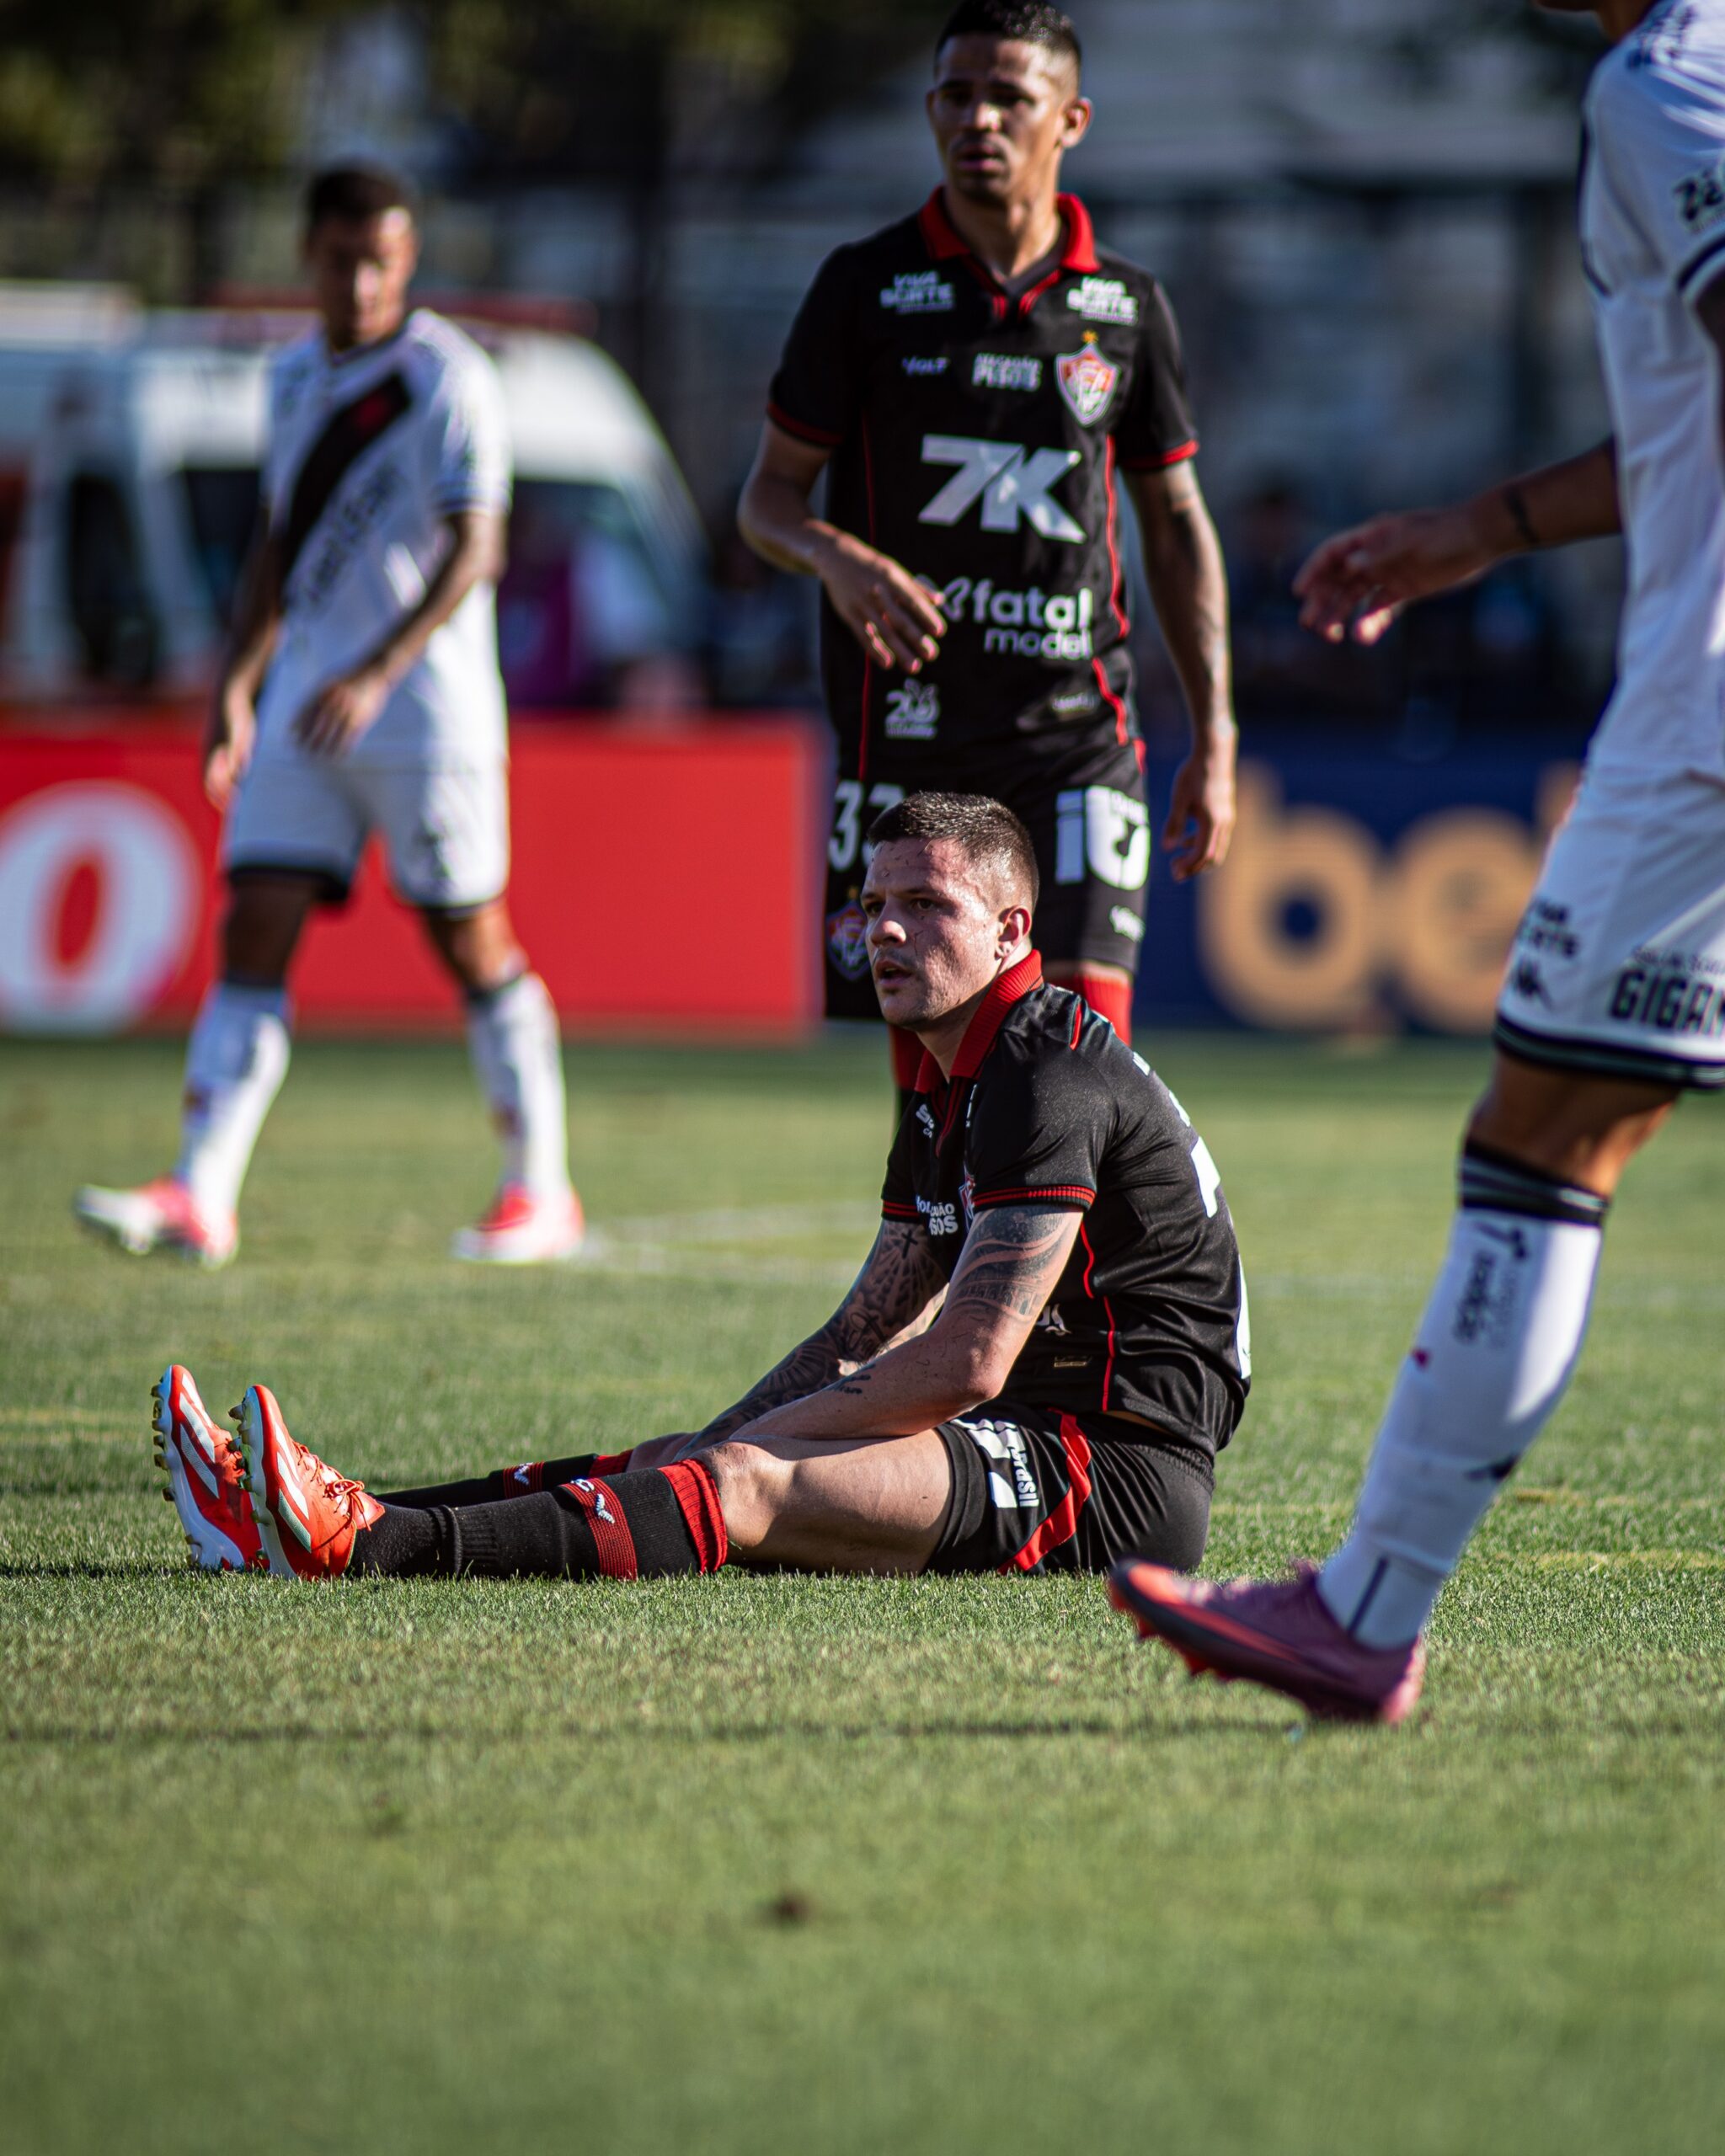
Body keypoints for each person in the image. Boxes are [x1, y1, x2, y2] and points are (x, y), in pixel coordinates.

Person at [1111, 0, 1725, 1723]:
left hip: (1702, 715)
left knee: (1546, 1136)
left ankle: (1364, 1607)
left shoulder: (1663, 78)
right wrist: (1475, 531)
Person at [149, 792, 1250, 1591]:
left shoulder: (1040, 1069)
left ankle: (363, 1548)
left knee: (738, 1483)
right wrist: (727, 1428)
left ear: (1014, 931)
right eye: (874, 905)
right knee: (679, 1460)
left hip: (1117, 1479)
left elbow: (967, 1360)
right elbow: (863, 1329)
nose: (887, 932)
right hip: (1039, 1433)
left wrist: (757, 1441)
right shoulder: (950, 1068)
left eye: (929, 905)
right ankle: (315, 1507)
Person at [73, 163, 580, 1269]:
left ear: (406, 263)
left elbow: (475, 546)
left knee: (468, 936)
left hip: (426, 713)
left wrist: (381, 668)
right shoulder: (293, 375)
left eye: (382, 260)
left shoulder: (446, 378)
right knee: (253, 920)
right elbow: (275, 542)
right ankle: (201, 1192)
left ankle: (540, 1190)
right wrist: (235, 688)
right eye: (343, 257)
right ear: (310, 256)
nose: (361, 279)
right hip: (305, 704)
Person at [737, 0, 1236, 1113]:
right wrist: (840, 560)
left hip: (1076, 736)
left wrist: (1217, 731)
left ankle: (1074, 1292)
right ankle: (949, 1283)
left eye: (1011, 96)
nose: (981, 118)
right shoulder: (863, 290)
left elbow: (1176, 524)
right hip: (910, 736)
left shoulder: (1127, 310)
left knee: (1082, 1069)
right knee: (939, 1090)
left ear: (1071, 119)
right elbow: (764, 501)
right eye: (957, 95)